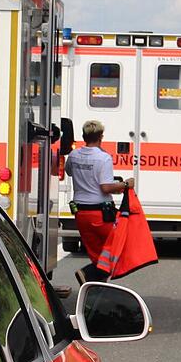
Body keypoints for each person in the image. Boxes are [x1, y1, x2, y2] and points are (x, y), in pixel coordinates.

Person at [64, 120, 135, 286]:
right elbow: (106, 187)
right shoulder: (103, 158)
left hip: (81, 213)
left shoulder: (74, 155)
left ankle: (97, 289)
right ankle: (88, 274)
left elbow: (68, 171)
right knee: (118, 247)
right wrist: (126, 184)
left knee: (97, 255)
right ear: (101, 137)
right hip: (100, 215)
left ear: (83, 136)